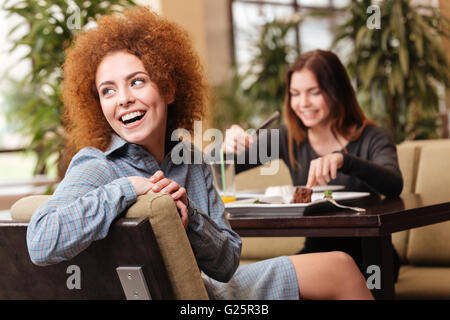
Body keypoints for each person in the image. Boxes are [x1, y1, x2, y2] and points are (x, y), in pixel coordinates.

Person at [26, 8, 373, 300]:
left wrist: (190, 219)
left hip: (204, 293)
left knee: (340, 266)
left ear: (168, 87)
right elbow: (40, 242)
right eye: (107, 90)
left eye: (137, 82)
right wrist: (127, 189)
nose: (123, 99)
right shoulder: (97, 164)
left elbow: (226, 263)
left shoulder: (191, 161)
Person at [223, 49, 403, 281]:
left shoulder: (373, 137)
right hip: (316, 255)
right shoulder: (286, 137)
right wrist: (226, 148)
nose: (303, 103)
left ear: (338, 91)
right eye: (295, 94)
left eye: (314, 92)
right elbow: (211, 169)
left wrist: (343, 160)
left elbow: (394, 183)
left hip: (373, 257)